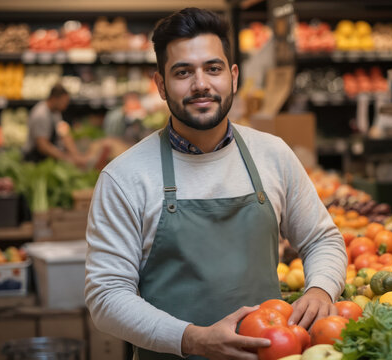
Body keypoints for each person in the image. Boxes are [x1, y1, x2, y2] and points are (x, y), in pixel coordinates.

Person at [85, 8, 347, 360]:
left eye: (213, 68)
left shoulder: (273, 155)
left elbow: (321, 239)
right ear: (161, 84)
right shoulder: (124, 177)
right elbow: (107, 296)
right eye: (183, 72)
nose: (201, 84)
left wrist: (320, 290)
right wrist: (190, 339)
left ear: (233, 76)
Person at [23, 83, 88, 167]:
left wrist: (76, 155)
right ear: (54, 99)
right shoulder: (41, 115)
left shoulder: (55, 112)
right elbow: (43, 146)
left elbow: (63, 133)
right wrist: (65, 158)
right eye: (64, 102)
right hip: (34, 160)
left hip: (47, 159)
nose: (65, 106)